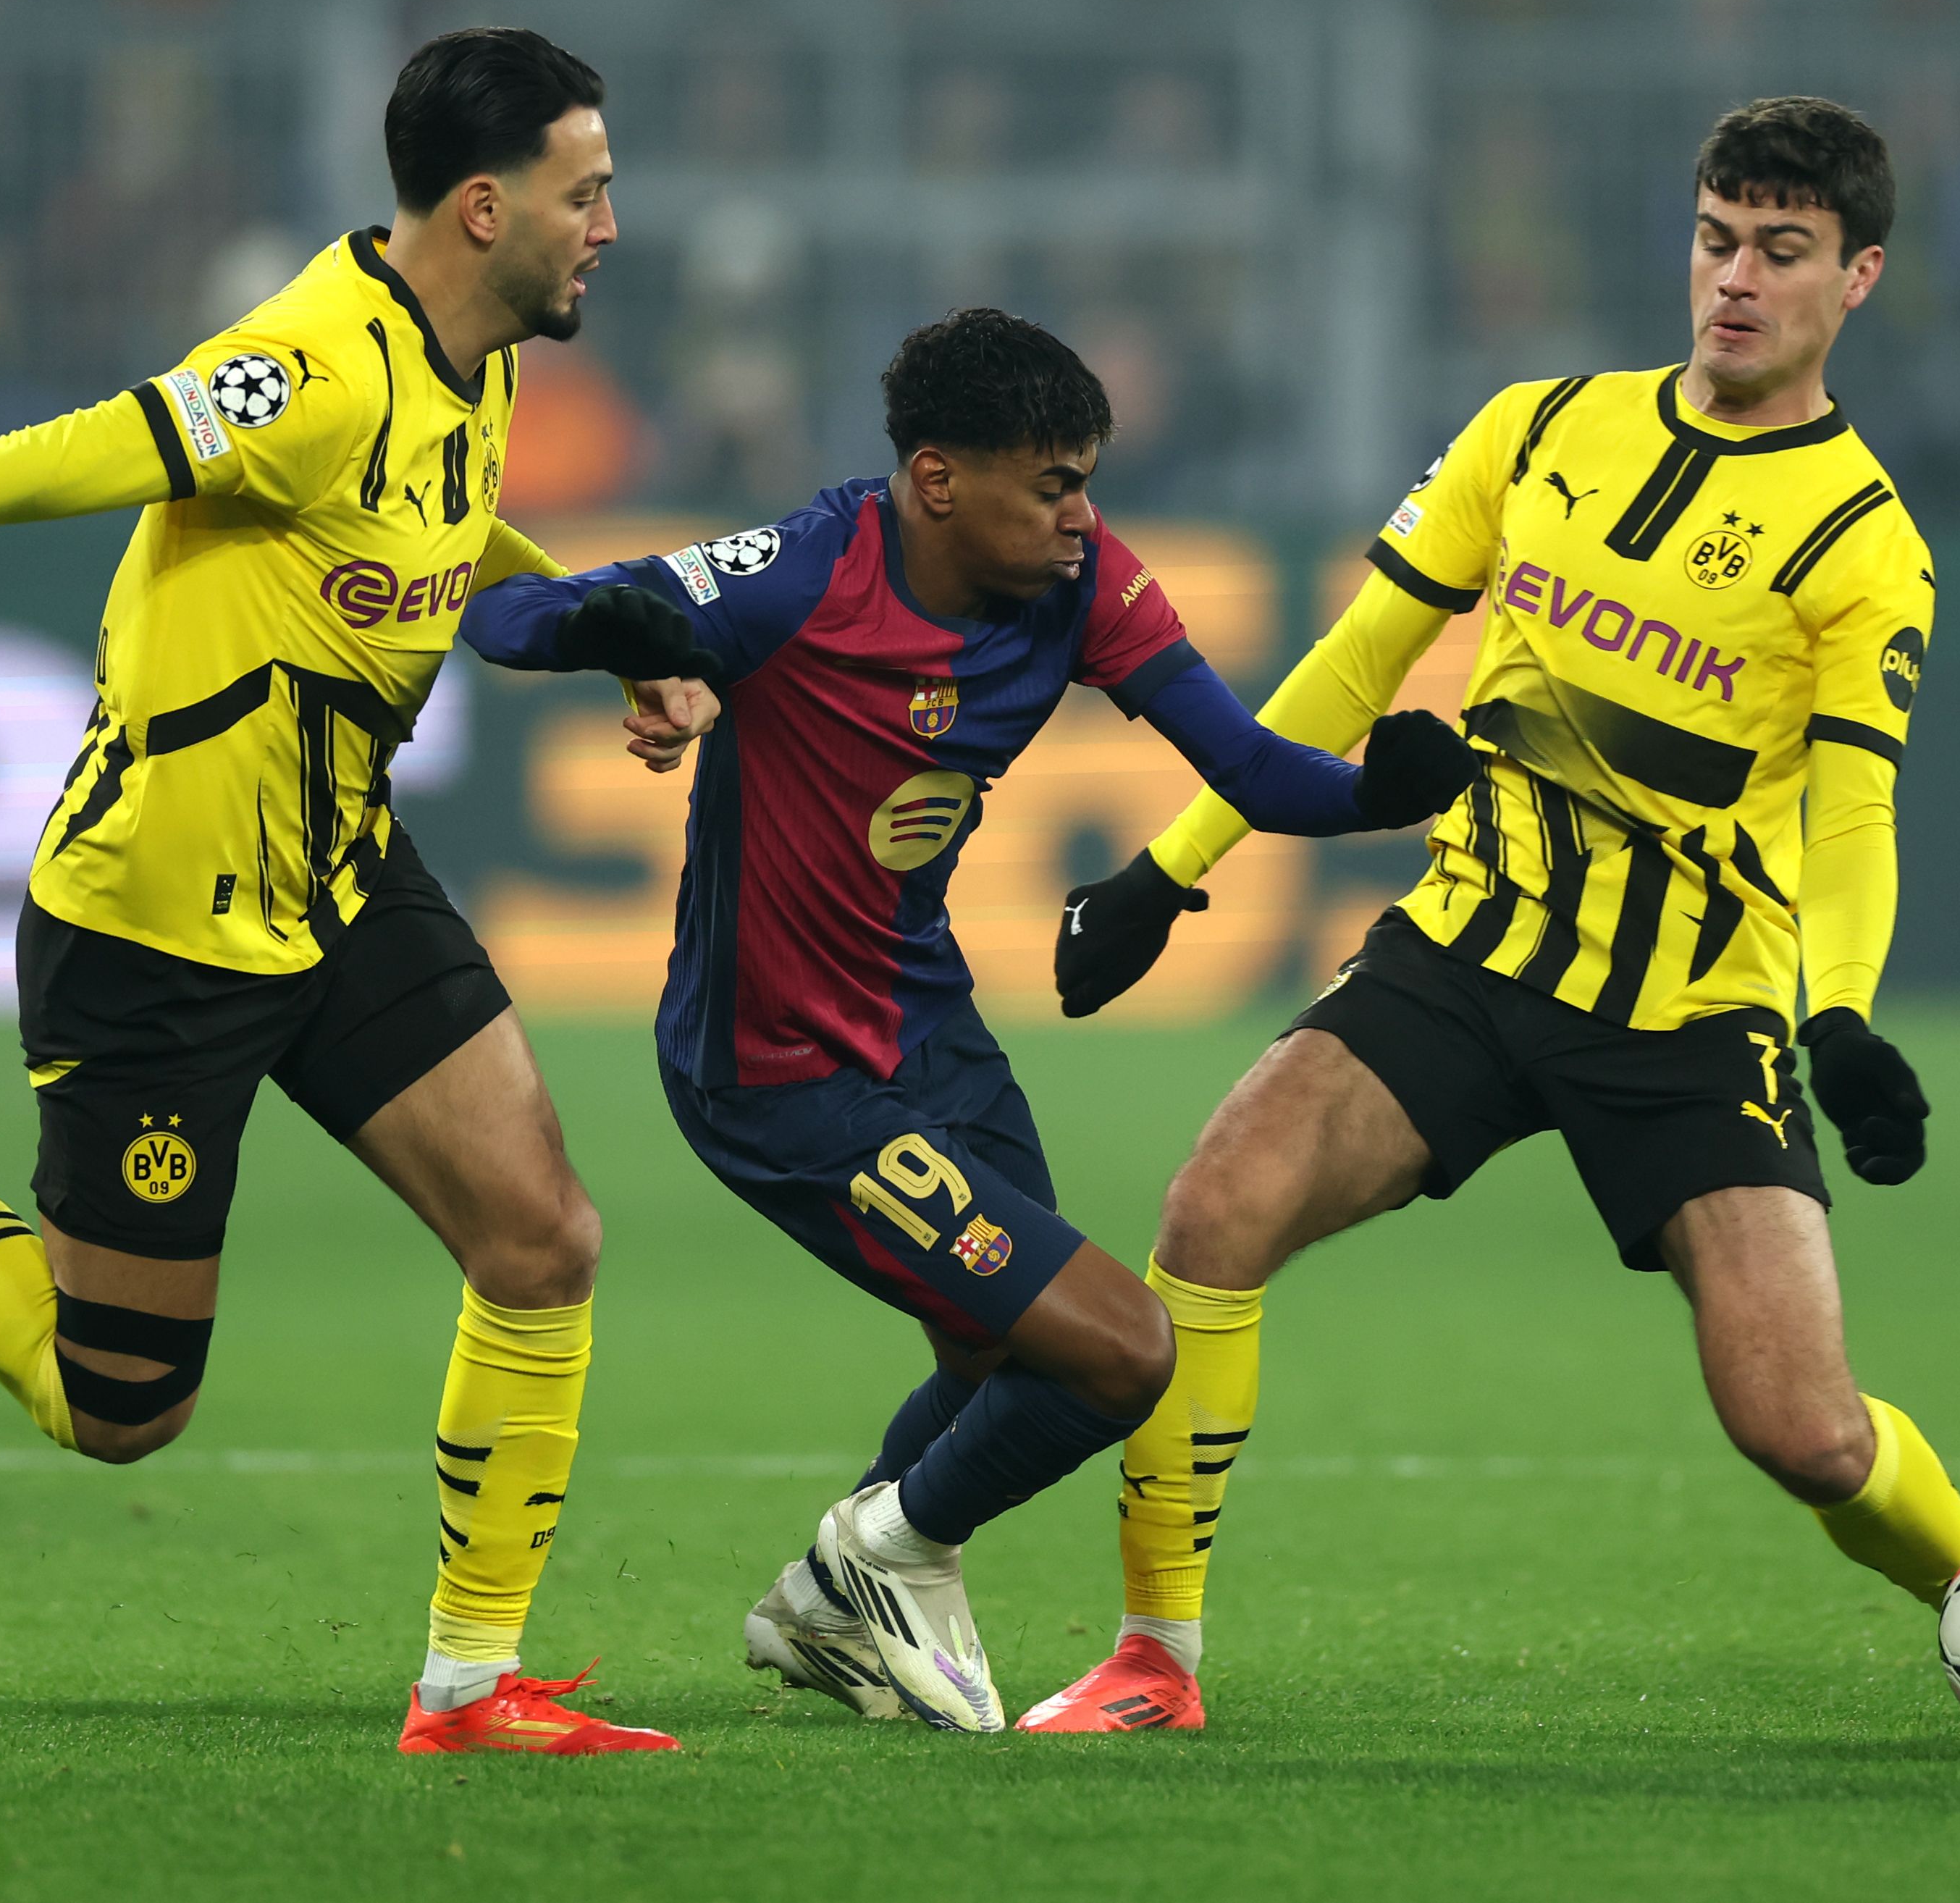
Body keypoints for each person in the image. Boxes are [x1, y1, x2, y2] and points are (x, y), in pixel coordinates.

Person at [0, 28, 712, 1757]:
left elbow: (447, 526)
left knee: (541, 1236)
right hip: (153, 924)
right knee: (118, 1410)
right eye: (587, 190)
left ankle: (466, 1683)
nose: (610, 221)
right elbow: (64, 453)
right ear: (488, 207)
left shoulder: (480, 356)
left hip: (337, 879)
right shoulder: (304, 364)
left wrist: (610, 628)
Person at [1029, 96, 1960, 1736]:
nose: (1734, 279)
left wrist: (1839, 1014)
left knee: (1800, 1430)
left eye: (1781, 252)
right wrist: (1173, 865)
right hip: (1468, 949)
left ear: (1858, 276)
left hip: (1686, 1016)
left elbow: (1849, 802)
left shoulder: (1864, 538)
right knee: (1213, 1210)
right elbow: (1353, 663)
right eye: (1713, 238)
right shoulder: (1537, 427)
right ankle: (1152, 1661)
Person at [464, 308, 1480, 1731]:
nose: (1083, 516)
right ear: (938, 478)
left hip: (926, 1022)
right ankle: (875, 1558)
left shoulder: (1082, 584)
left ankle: (836, 1597)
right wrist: (611, 627)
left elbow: (1245, 762)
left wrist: (1382, 790)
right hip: (777, 1067)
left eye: (1087, 480)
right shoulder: (804, 572)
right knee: (1116, 1348)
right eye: (1052, 483)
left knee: (1018, 1345)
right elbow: (503, 612)